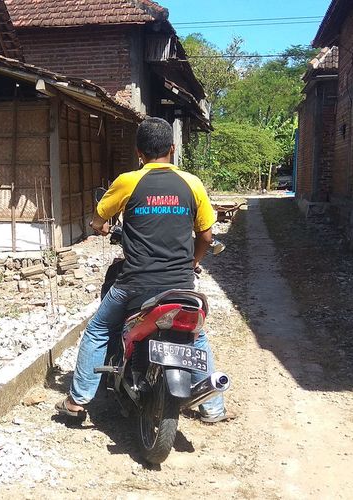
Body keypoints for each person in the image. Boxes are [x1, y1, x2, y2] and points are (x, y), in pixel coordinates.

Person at [56, 117, 234, 424]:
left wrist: (99, 228)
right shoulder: (192, 183)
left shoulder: (128, 181)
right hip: (181, 284)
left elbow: (98, 220)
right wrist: (192, 263)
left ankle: (77, 402)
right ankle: (213, 408)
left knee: (98, 329)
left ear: (139, 152)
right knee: (196, 335)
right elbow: (206, 237)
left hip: (135, 284)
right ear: (173, 148)